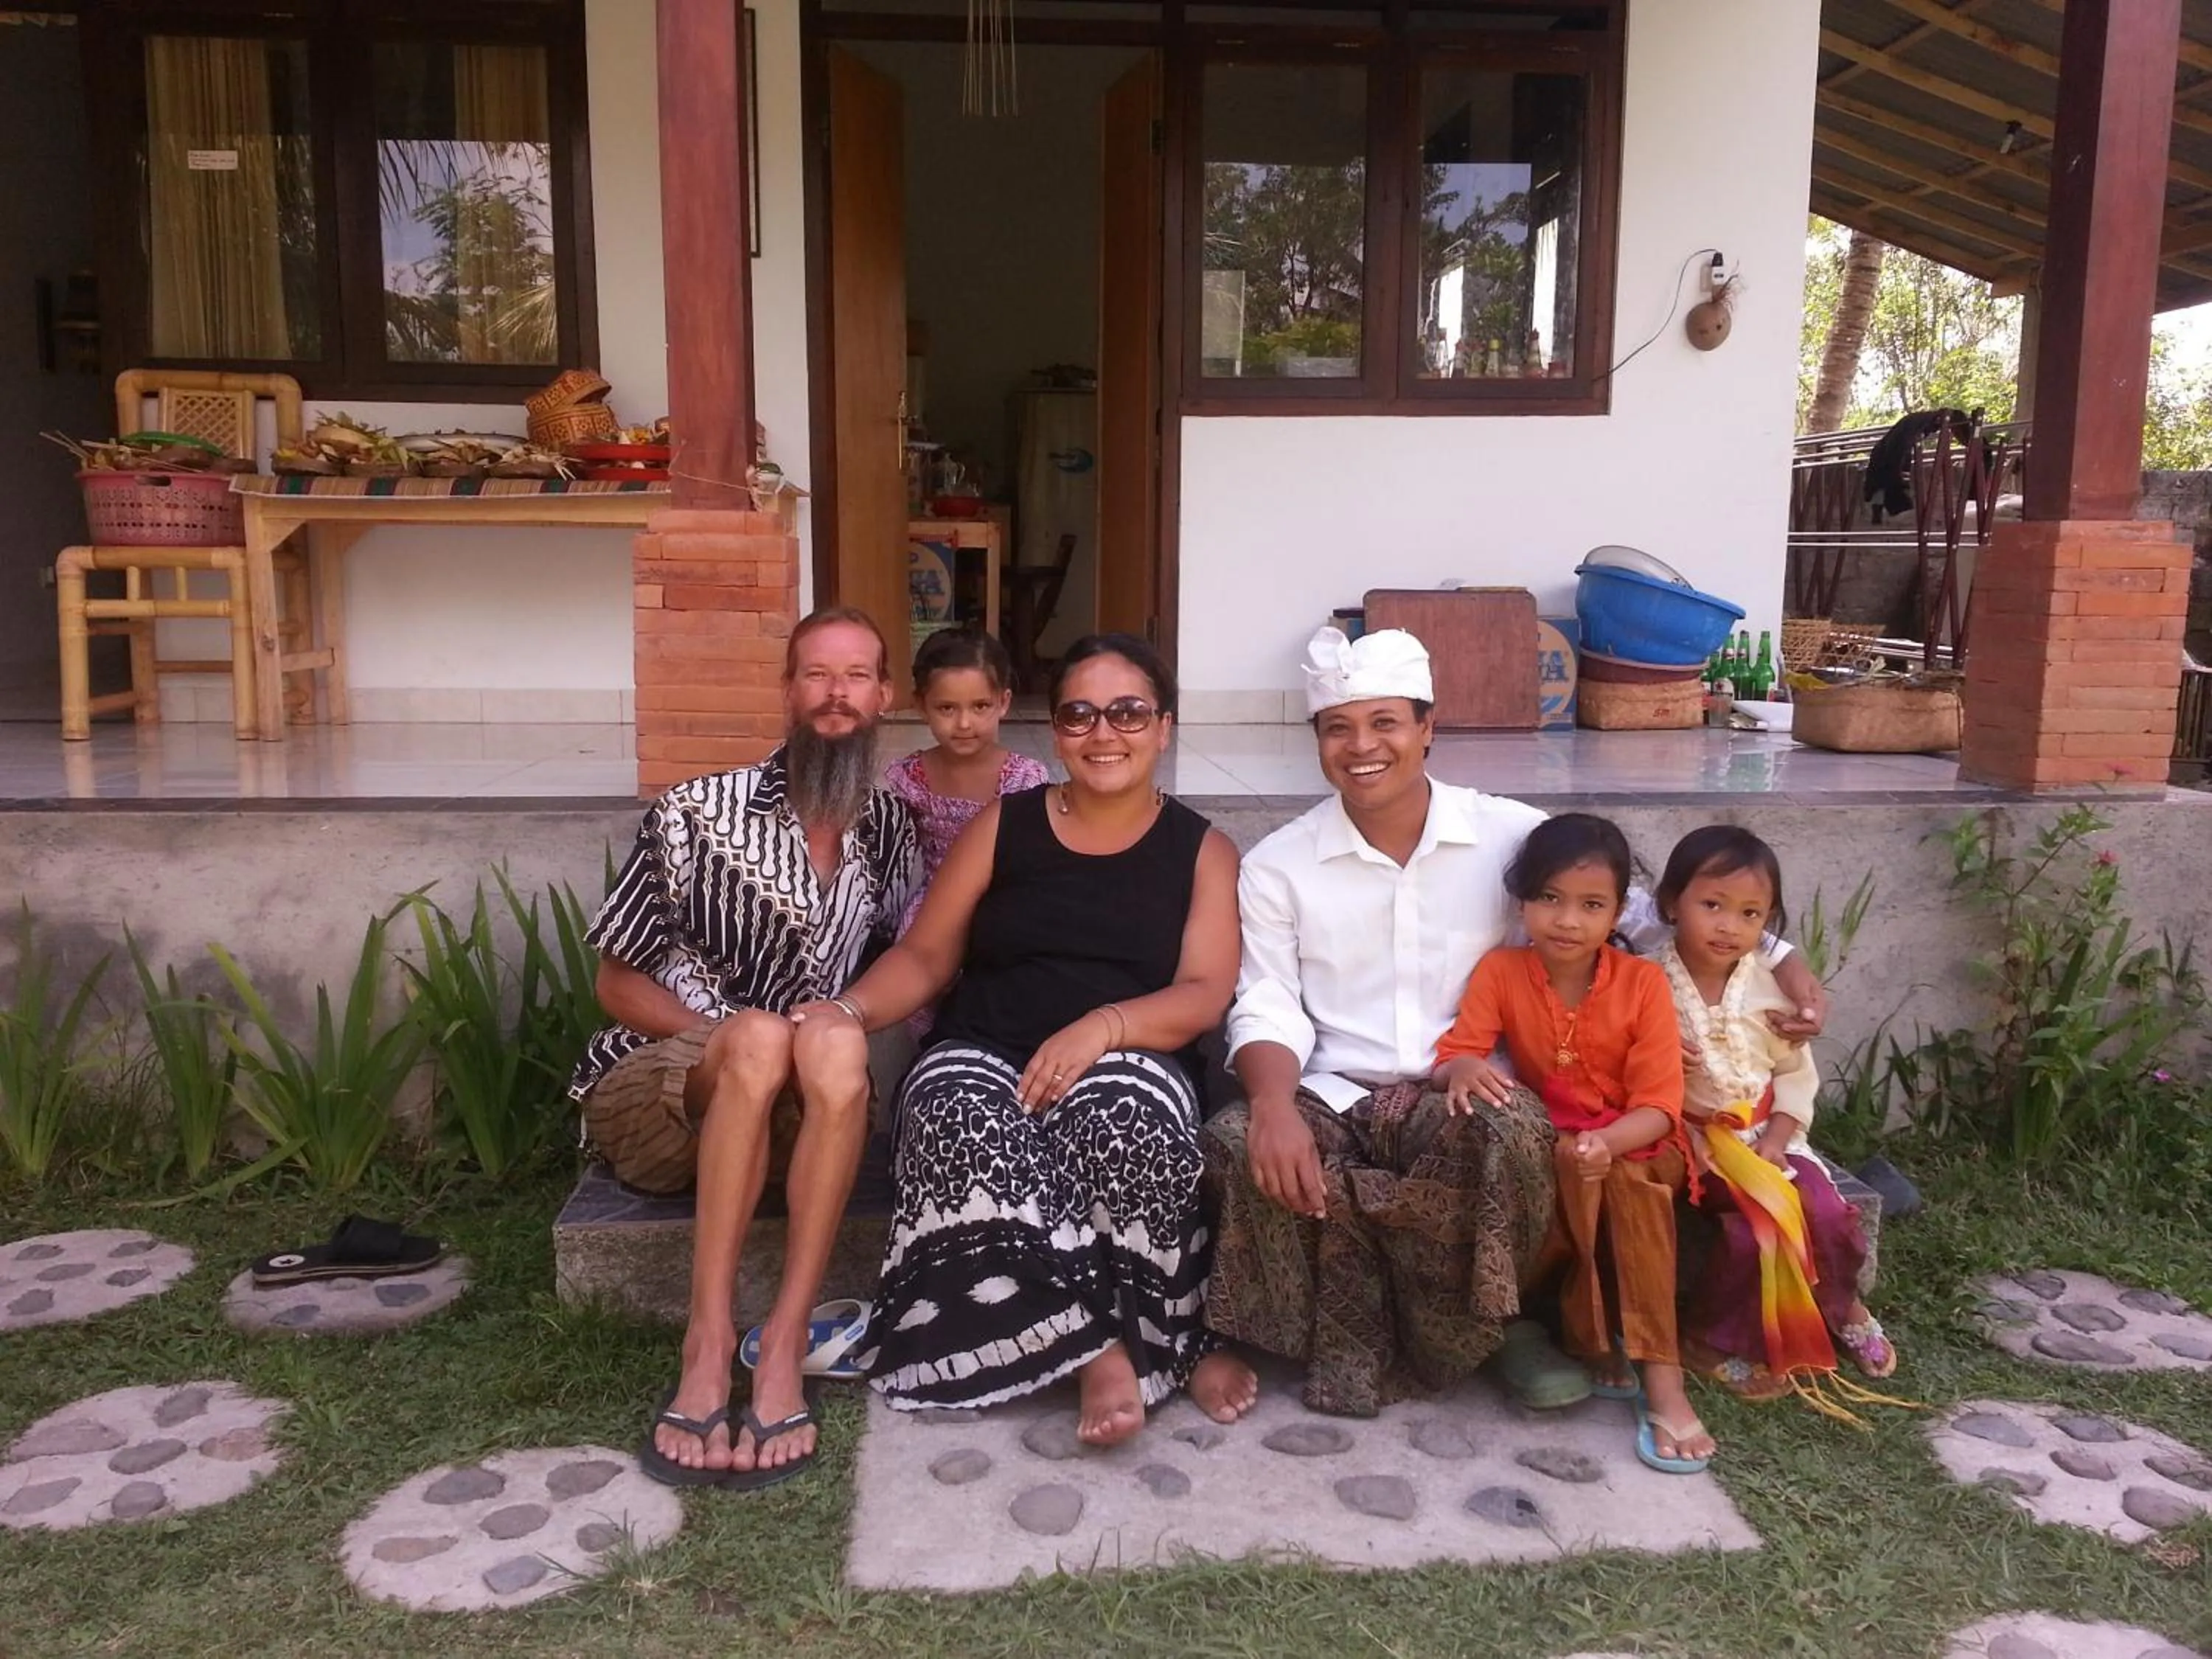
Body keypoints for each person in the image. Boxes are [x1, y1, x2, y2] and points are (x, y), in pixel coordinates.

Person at [1202, 624, 1830, 1421]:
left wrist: (1786, 955)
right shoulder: (1278, 865)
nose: (1363, 746)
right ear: (1318, 741)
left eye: (1386, 722)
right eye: (1339, 727)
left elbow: (1643, 914)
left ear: (1428, 729)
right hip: (1335, 1090)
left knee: (1515, 1131)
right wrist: (1272, 1107)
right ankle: (1330, 1335)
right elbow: (1267, 1001)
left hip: (1467, 1090)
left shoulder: (1508, 832)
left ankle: (1507, 1328)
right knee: (1232, 1140)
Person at [796, 633, 1258, 1444]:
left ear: (1164, 728)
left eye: (1128, 712)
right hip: (989, 1044)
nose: (1103, 732)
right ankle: (1103, 1343)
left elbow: (1203, 993)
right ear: (1057, 732)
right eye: (1079, 714)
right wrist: (850, 1012)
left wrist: (1104, 1027)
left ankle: (1106, 1333)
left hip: (1132, 1054)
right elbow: (927, 954)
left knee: (1123, 1122)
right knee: (951, 1114)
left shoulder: (1203, 850)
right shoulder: (1001, 828)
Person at [569, 606, 918, 1490]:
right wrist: (724, 1038)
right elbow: (617, 985)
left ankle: (783, 1343)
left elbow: (903, 972)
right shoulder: (695, 813)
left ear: (884, 695)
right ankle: (709, 1338)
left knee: (836, 1042)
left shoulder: (890, 831)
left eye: (855, 677)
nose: (835, 695)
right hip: (663, 1099)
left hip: (796, 1117)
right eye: (817, 674)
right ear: (788, 688)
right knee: (762, 1037)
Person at [1436, 813, 1711, 1474]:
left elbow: (1658, 1107)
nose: (1567, 920)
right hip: (1560, 1142)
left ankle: (1663, 1377)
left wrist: (1607, 1143)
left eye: (1592, 906)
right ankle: (1593, 1341)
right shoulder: (1502, 972)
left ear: (1618, 911)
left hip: (1645, 1145)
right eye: (1549, 899)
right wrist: (1462, 1068)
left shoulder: (1642, 983)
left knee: (1626, 1183)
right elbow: (1459, 1052)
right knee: (1576, 1169)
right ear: (1523, 900)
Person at [1654, 825, 1893, 1397]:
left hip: (1771, 1133)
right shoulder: (1644, 982)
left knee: (1829, 1214)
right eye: (1711, 905)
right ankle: (1709, 1339)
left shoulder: (1770, 985)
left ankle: (1842, 1306)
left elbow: (1793, 1073)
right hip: (1696, 1146)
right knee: (1750, 1230)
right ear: (1670, 904)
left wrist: (1778, 1137)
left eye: (1749, 914)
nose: (1728, 926)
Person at [880, 627, 1048, 1032]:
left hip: (1004, 902)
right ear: (922, 705)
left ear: (1004, 702)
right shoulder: (909, 777)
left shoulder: (1023, 778)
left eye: (980, 706)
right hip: (935, 903)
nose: (964, 723)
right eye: (947, 708)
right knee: (916, 948)